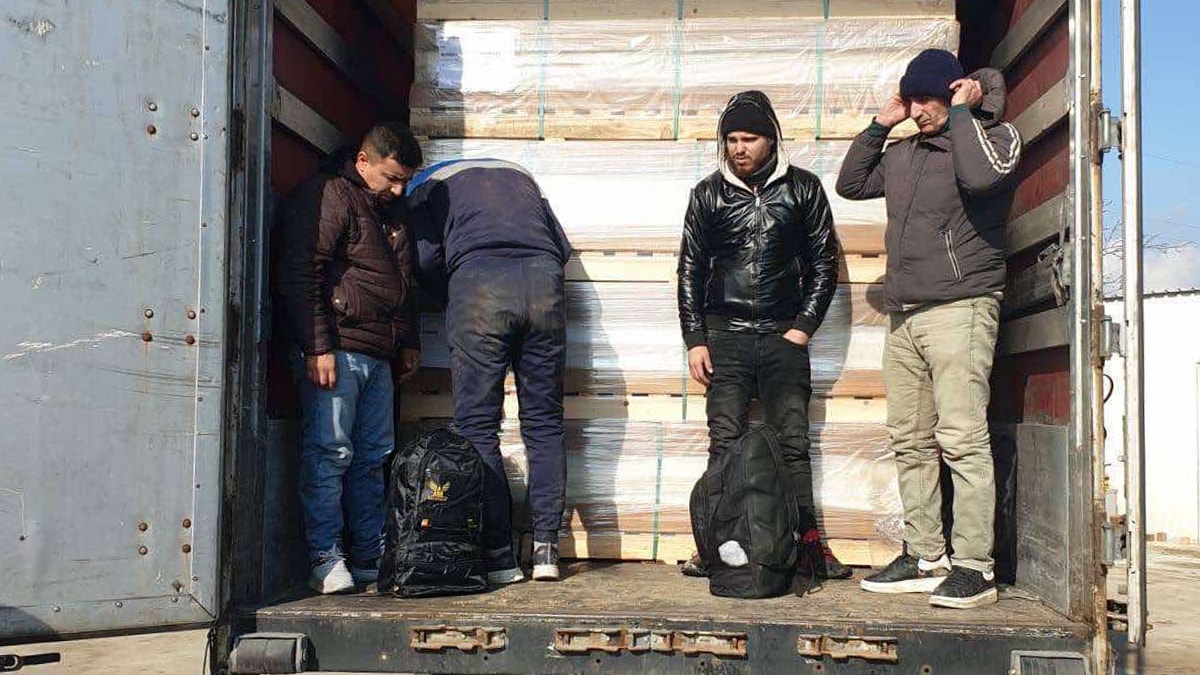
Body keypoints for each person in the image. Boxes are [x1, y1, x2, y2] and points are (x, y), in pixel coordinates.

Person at [836, 49, 1023, 609]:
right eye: (912, 99)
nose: (919, 109)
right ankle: (925, 555)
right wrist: (880, 124)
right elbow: (850, 183)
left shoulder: (995, 137)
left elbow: (982, 177)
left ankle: (975, 566)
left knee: (961, 438)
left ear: (955, 91)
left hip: (961, 306)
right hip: (906, 314)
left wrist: (964, 113)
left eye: (928, 99)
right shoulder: (904, 152)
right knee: (910, 439)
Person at [677, 90, 849, 585]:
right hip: (725, 337)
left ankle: (808, 547)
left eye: (749, 138)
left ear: (771, 139)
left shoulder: (803, 189)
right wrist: (695, 338)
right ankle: (715, 546)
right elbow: (690, 269)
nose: (739, 148)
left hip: (782, 337)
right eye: (731, 139)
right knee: (725, 444)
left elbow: (824, 264)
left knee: (792, 444)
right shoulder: (708, 194)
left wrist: (802, 328)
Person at [406, 158, 572, 584]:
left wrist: (453, 293)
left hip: (480, 285)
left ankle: (500, 556)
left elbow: (424, 259)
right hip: (544, 283)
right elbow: (563, 248)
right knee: (544, 421)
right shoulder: (522, 177)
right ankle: (546, 548)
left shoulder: (426, 187)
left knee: (477, 425)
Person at [276, 122, 424, 594]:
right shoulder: (330, 195)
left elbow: (402, 283)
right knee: (330, 453)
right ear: (363, 161)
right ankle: (325, 556)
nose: (398, 189)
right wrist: (317, 346)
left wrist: (407, 340)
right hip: (337, 350)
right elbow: (303, 271)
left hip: (377, 355)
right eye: (391, 177)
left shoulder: (390, 210)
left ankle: (368, 555)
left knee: (372, 458)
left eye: (405, 181)